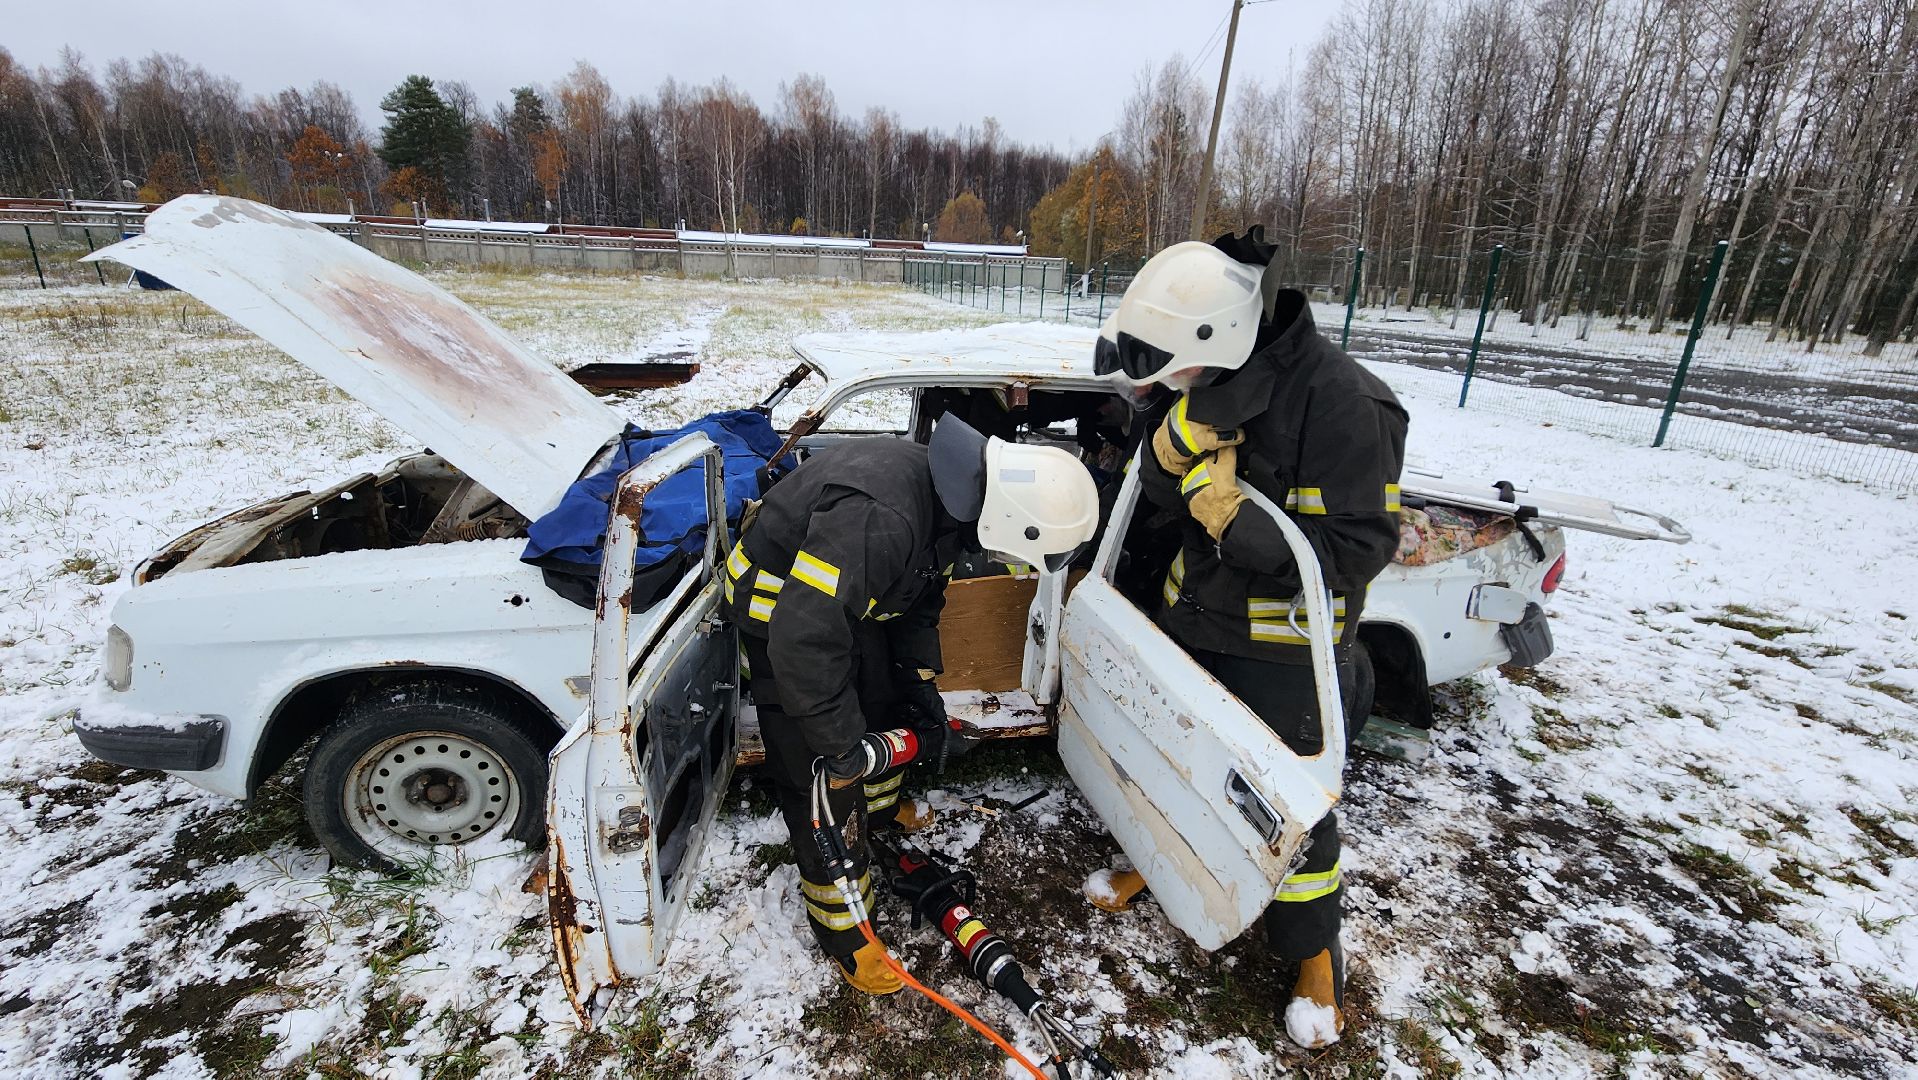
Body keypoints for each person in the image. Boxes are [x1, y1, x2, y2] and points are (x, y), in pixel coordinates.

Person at [1091, 230, 1408, 1048]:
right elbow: (1156, 488)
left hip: (1282, 655)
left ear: (1217, 339)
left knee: (1290, 817)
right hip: (1189, 624)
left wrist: (1233, 517)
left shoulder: (1348, 406)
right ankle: (1161, 869)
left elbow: (1356, 553)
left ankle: (1313, 960)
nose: (1167, 386)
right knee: (1170, 765)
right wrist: (1166, 454)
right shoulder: (1212, 375)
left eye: (1173, 370)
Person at [726, 416, 1098, 994]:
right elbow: (803, 636)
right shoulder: (885, 517)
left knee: (883, 706)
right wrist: (839, 745)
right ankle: (846, 931)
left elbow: (920, 596)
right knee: (818, 771)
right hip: (780, 615)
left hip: (845, 607)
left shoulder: (954, 499)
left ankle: (874, 818)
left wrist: (916, 681)